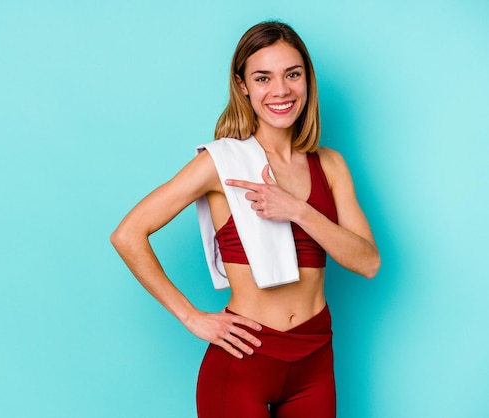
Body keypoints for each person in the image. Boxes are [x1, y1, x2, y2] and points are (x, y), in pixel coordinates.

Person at [111, 20, 380, 418]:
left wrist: (298, 210)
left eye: (292, 74)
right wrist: (191, 316)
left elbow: (368, 262)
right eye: (263, 78)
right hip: (245, 357)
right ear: (243, 86)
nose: (281, 90)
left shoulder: (331, 165)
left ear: (307, 79)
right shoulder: (219, 163)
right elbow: (128, 234)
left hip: (315, 357)